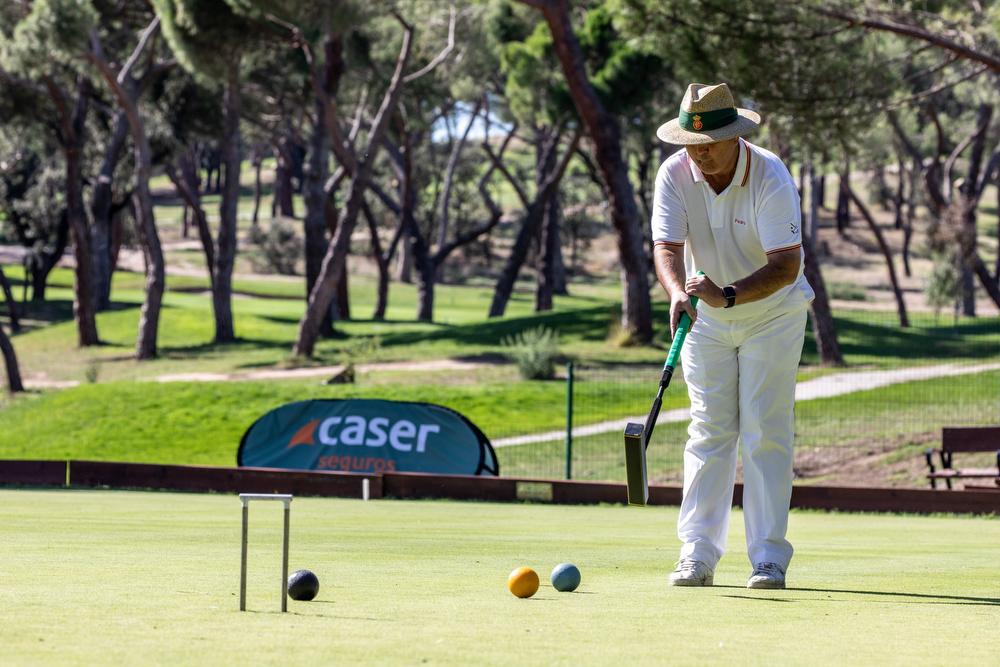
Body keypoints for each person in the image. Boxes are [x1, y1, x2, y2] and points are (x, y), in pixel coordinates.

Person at [650, 82, 814, 589]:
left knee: (766, 430)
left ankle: (768, 558)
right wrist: (679, 292)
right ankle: (696, 554)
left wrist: (732, 295)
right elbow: (667, 246)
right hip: (705, 317)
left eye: (706, 145)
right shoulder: (675, 173)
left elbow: (787, 265)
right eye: (689, 145)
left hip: (773, 314)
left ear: (735, 137)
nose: (697, 155)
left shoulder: (770, 174)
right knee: (710, 430)